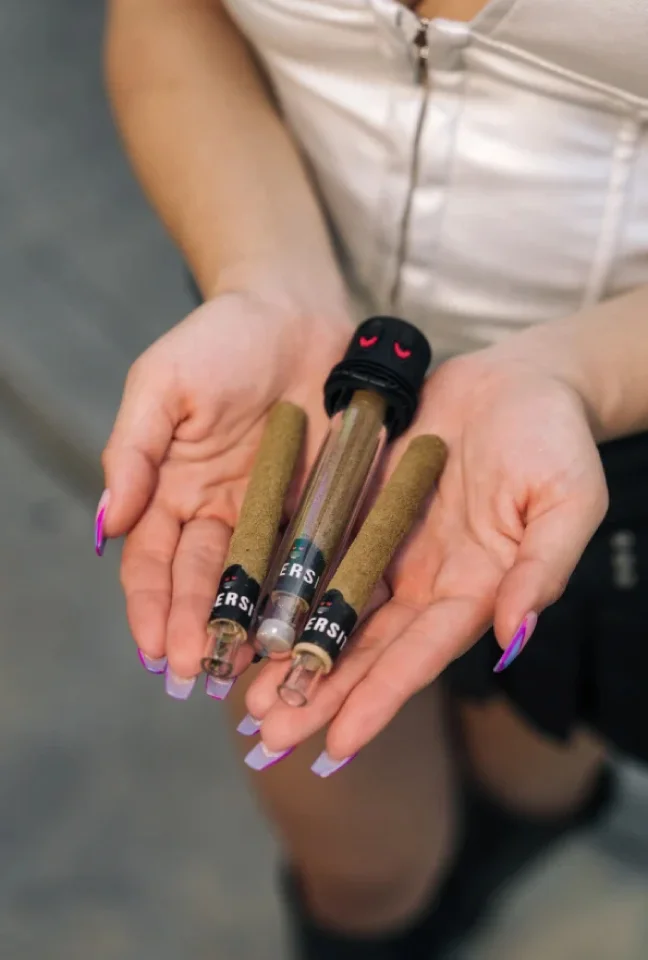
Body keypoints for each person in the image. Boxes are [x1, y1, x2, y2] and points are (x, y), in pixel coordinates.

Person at [99, 1, 648, 956]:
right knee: (366, 872)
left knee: (535, 754)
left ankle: (522, 838)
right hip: (284, 377)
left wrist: (581, 378)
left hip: (592, 425)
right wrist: (266, 279)